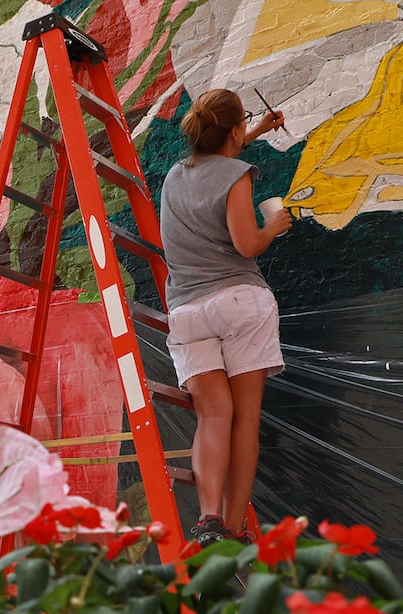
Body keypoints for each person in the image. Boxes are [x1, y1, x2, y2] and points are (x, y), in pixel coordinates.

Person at [159, 89, 291, 546]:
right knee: (245, 420)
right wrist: (273, 227)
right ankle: (235, 531)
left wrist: (254, 131)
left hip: (188, 312)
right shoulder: (237, 176)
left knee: (213, 415)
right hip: (238, 302)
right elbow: (247, 245)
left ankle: (209, 519)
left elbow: (212, 167)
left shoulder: (174, 177)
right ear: (232, 131)